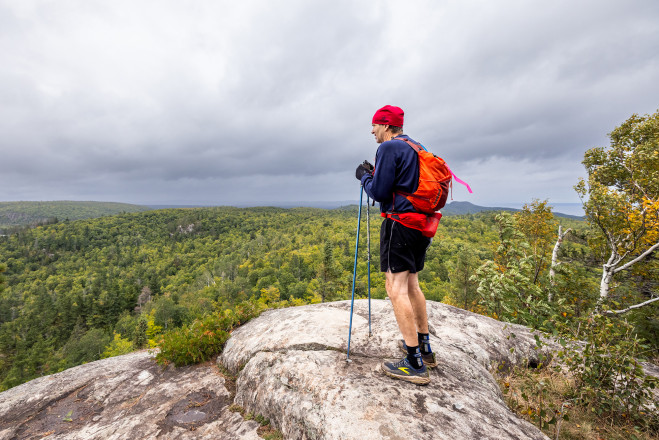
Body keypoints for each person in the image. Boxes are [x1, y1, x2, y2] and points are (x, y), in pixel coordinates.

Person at [355, 105, 437, 385]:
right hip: (420, 226)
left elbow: (378, 191)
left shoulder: (389, 148)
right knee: (412, 284)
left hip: (399, 223)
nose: (372, 130)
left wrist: (364, 176)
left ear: (387, 126)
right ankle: (424, 349)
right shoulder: (416, 147)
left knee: (395, 288)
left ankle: (414, 363)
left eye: (375, 125)